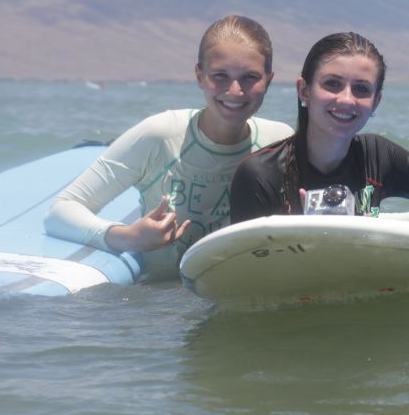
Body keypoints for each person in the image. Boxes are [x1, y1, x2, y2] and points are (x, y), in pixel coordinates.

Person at [44, 15, 293, 280]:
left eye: (249, 77)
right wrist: (129, 237)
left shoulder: (279, 141)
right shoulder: (159, 136)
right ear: (199, 75)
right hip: (158, 305)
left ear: (269, 79)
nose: (235, 90)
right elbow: (61, 210)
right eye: (220, 75)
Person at [230, 31, 409, 226]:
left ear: (376, 101)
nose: (346, 99)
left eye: (361, 89)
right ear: (304, 90)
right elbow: (245, 274)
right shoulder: (260, 174)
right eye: (332, 84)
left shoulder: (379, 156)